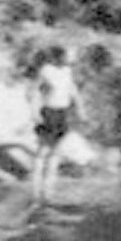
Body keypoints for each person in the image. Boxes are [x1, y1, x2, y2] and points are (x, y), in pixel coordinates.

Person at [28, 44, 80, 201]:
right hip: (49, 112)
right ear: (62, 56)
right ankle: (35, 185)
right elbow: (35, 90)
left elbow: (72, 89)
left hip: (62, 113)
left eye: (74, 57)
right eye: (71, 56)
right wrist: (34, 111)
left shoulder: (68, 71)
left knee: (57, 150)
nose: (73, 59)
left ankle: (49, 187)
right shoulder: (46, 70)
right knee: (43, 149)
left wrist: (80, 107)